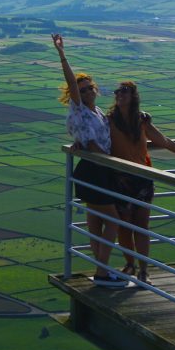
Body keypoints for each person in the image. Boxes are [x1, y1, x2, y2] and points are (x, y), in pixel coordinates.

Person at [109, 81, 175, 284]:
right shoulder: (109, 121)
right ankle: (130, 264)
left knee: (141, 226)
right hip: (120, 179)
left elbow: (163, 141)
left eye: (124, 91)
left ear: (133, 96)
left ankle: (143, 270)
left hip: (141, 179)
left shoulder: (141, 122)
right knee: (124, 227)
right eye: (117, 92)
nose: (119, 95)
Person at [52, 34, 126, 287]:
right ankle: (103, 272)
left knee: (97, 224)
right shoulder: (79, 108)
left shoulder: (97, 112)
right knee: (114, 220)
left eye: (88, 89)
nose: (84, 92)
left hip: (98, 169)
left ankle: (102, 270)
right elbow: (71, 82)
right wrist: (62, 54)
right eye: (81, 91)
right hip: (94, 170)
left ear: (96, 89)